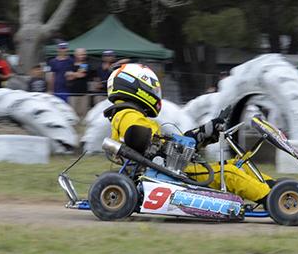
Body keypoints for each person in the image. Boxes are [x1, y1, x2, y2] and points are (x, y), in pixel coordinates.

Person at [104, 63, 273, 203]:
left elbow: (165, 145)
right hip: (166, 171)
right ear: (137, 86)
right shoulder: (127, 114)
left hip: (170, 166)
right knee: (228, 173)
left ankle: (274, 187)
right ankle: (273, 199)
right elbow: (142, 141)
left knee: (238, 165)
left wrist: (205, 132)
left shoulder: (132, 115)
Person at [65, 47, 93, 117]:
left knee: (83, 115)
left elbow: (81, 75)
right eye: (80, 54)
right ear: (75, 55)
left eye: (83, 54)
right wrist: (73, 75)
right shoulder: (70, 64)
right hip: (72, 94)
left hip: (83, 94)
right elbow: (68, 77)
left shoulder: (85, 65)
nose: (82, 56)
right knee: (72, 115)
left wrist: (72, 74)